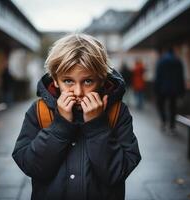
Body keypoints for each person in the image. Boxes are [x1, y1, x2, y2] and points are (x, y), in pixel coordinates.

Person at [12, 34, 141, 200]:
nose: (78, 92)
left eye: (87, 81)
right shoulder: (40, 111)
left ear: (101, 80)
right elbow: (32, 166)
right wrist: (60, 126)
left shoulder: (117, 112)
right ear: (55, 80)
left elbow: (116, 173)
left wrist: (97, 125)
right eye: (68, 81)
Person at [154, 48, 185, 133]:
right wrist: (182, 91)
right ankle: (172, 126)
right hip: (174, 89)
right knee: (173, 107)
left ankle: (164, 121)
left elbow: (158, 76)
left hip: (162, 88)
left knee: (161, 105)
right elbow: (181, 77)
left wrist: (156, 89)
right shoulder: (178, 61)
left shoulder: (161, 61)